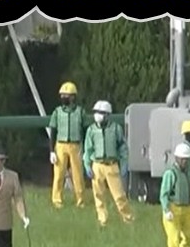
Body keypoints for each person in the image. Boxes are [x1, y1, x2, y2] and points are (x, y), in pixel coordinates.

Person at [82, 100, 134, 227]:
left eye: (101, 112)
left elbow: (122, 147)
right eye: (96, 112)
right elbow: (88, 149)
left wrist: (124, 163)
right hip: (97, 165)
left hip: (111, 165)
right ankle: (102, 219)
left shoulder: (116, 129)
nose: (97, 115)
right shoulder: (91, 130)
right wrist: (87, 165)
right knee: (98, 195)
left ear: (107, 115)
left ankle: (128, 218)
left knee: (119, 195)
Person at [47, 81, 86, 209]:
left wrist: (85, 149)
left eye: (67, 96)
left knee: (78, 174)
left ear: (73, 97)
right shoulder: (57, 112)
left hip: (75, 145)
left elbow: (85, 130)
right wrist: (51, 151)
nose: (64, 98)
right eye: (62, 95)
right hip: (61, 144)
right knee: (59, 173)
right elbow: (53, 131)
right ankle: (56, 199)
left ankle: (80, 200)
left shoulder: (80, 112)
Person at [159, 143, 190, 247]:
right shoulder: (171, 173)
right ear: (177, 158)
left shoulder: (188, 173)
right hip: (173, 209)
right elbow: (164, 194)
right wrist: (166, 210)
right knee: (173, 236)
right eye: (183, 159)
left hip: (187, 208)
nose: (185, 162)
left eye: (187, 159)